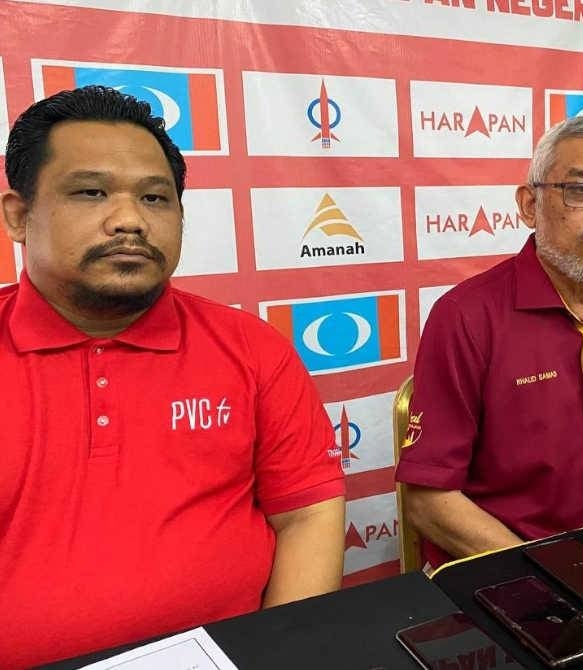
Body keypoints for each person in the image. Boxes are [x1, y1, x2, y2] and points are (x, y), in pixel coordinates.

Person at [0, 86, 346, 668]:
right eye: (91, 192)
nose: (129, 220)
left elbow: (307, 513)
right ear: (18, 215)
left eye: (156, 198)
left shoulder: (251, 348)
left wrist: (279, 653)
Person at [395, 116, 583, 566]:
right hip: (510, 574)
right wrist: (556, 577)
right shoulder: (467, 317)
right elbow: (430, 502)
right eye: (581, 190)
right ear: (529, 205)